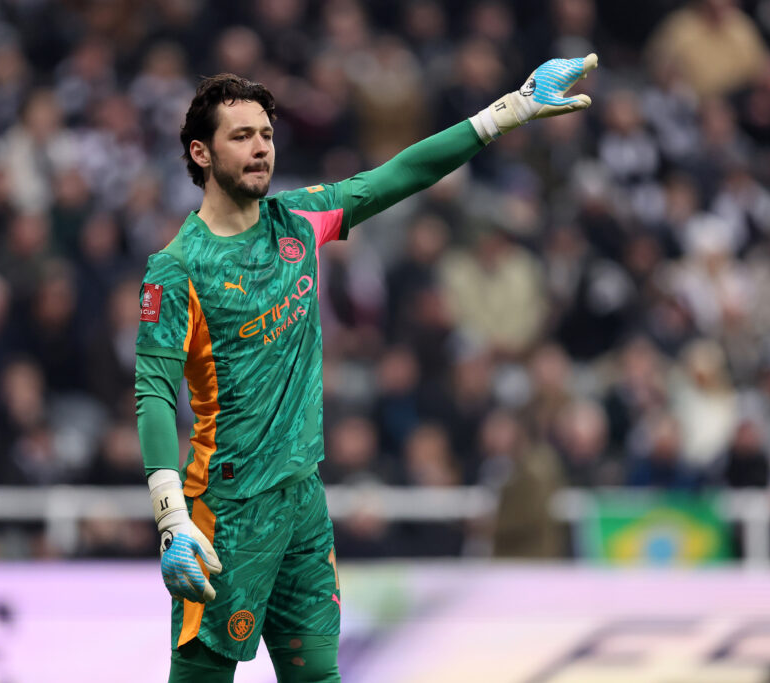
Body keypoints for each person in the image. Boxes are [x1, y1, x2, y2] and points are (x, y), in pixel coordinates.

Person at [136, 54, 599, 682]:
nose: (260, 148)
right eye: (241, 136)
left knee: (320, 677)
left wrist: (506, 112)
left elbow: (399, 174)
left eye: (267, 135)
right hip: (227, 509)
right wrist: (171, 516)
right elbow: (155, 394)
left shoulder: (298, 220)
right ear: (200, 153)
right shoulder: (177, 269)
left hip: (302, 500)